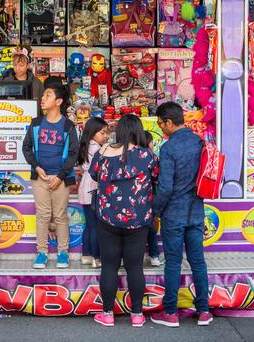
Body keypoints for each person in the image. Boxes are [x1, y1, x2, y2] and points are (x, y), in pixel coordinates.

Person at [89, 114, 159, 327]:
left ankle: (107, 314)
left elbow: (94, 175)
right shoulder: (148, 156)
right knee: (135, 266)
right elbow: (157, 177)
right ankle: (137, 315)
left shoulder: (102, 152)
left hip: (108, 218)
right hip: (138, 220)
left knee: (109, 266)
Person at [150, 102, 212, 328]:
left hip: (173, 214)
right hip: (196, 211)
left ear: (168, 122)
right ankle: (204, 311)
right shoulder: (199, 141)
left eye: (160, 123)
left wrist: (155, 210)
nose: (160, 127)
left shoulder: (168, 148)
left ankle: (171, 312)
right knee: (198, 262)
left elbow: (165, 187)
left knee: (173, 262)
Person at [23, 84, 78, 270]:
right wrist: (36, 167)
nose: (42, 98)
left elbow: (73, 154)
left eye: (47, 95)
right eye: (43, 95)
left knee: (61, 216)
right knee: (43, 216)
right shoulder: (36, 123)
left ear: (59, 101)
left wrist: (61, 176)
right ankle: (41, 252)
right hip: (40, 178)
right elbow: (26, 148)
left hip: (61, 179)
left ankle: (63, 252)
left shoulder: (68, 126)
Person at [77, 117, 108, 268]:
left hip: (85, 187)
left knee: (89, 225)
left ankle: (86, 255)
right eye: (102, 132)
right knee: (96, 226)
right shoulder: (97, 149)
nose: (105, 136)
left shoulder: (85, 146)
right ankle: (97, 257)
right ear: (93, 132)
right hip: (94, 187)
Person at [142, 130, 163, 268]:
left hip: (134, 198)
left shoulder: (131, 155)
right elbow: (157, 175)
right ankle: (154, 256)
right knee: (151, 228)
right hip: (150, 197)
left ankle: (127, 258)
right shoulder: (152, 157)